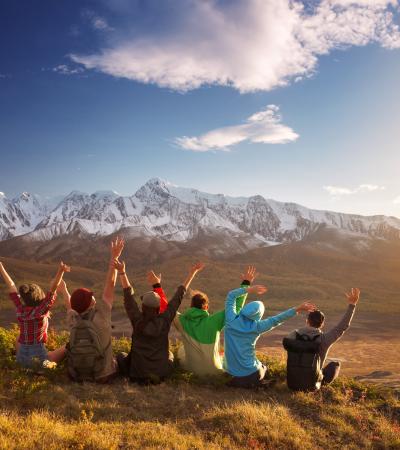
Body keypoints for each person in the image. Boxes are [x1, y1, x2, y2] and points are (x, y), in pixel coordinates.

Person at [114, 258, 204, 384]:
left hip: (136, 376)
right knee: (170, 355)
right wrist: (192, 273)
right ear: (158, 308)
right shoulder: (165, 318)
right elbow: (179, 295)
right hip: (160, 376)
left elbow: (128, 296)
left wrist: (122, 272)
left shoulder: (137, 319)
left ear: (143, 307)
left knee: (120, 356)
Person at [223, 284, 316, 388]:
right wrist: (297, 309)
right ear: (259, 315)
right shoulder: (258, 327)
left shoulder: (231, 319)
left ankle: (244, 382)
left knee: (249, 371)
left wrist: (249, 289)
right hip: (252, 373)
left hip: (231, 371)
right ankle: (257, 382)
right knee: (263, 367)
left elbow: (231, 295)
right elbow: (277, 319)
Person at [173, 266, 257, 376]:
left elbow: (169, 307)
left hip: (191, 371)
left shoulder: (181, 321)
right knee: (222, 355)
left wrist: (191, 274)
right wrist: (246, 283)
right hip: (214, 372)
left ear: (191, 306)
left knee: (181, 350)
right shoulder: (213, 321)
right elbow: (236, 307)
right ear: (206, 307)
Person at [65, 236, 125, 383]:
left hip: (77, 375)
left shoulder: (72, 319)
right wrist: (114, 257)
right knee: (122, 356)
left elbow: (70, 306)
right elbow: (110, 284)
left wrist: (63, 290)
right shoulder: (102, 313)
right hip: (103, 376)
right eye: (91, 297)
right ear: (91, 303)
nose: (94, 297)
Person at [283, 288, 361, 391]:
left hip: (292, 383)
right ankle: (321, 385)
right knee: (335, 365)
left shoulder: (293, 335)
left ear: (307, 321)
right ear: (322, 324)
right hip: (312, 386)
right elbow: (342, 326)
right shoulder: (324, 339)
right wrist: (352, 305)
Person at [0, 260, 70, 369]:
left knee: (20, 336)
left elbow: (11, 286)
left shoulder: (20, 309)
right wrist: (61, 271)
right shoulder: (41, 311)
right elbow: (53, 289)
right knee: (67, 347)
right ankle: (45, 368)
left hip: (21, 360)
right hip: (40, 362)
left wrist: (1, 268)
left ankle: (26, 363)